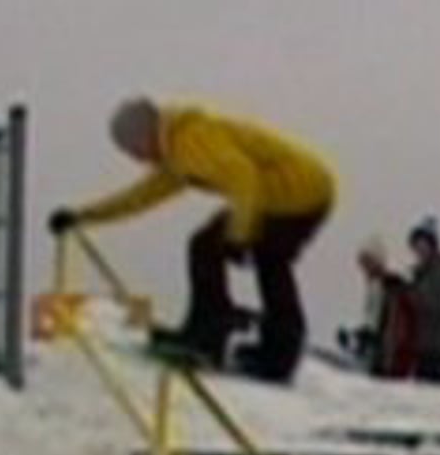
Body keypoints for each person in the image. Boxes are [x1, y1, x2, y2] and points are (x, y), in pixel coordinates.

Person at [47, 97, 336, 382]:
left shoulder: (189, 140)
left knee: (213, 247)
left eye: (134, 151)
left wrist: (239, 235)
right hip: (302, 188)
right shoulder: (176, 152)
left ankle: (213, 335)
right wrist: (83, 215)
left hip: (296, 190)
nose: (138, 160)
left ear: (144, 136)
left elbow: (242, 175)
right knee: (261, 258)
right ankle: (269, 348)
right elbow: (139, 197)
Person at [341, 236, 416, 379]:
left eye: (367, 262)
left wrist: (368, 338)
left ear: (377, 262)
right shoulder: (377, 285)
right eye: (362, 263)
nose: (364, 269)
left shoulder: (388, 287)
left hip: (387, 361)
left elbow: (383, 325)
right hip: (380, 356)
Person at [404, 216, 440, 384]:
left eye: (422, 244)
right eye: (416, 245)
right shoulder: (422, 273)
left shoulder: (439, 272)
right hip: (425, 347)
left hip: (437, 348)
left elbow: (435, 302)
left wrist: (410, 294)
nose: (418, 249)